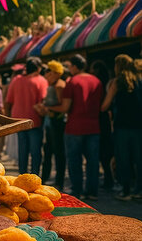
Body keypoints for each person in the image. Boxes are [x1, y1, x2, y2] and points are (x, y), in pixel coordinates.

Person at [48, 54, 103, 200]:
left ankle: (77, 191)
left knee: (74, 160)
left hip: (75, 127)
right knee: (92, 161)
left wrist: (50, 108)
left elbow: (65, 107)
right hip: (93, 126)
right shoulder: (96, 81)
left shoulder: (72, 82)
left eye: (70, 66)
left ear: (74, 66)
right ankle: (92, 192)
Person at [101, 55, 142, 201]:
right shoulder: (139, 80)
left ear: (118, 66)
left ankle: (125, 191)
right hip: (139, 126)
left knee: (123, 158)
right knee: (139, 159)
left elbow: (105, 105)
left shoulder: (117, 82)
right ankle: (139, 190)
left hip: (122, 126)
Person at [5, 57, 48, 175]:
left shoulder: (16, 80)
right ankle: (35, 177)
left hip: (18, 120)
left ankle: (22, 176)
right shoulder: (41, 80)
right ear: (38, 69)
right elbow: (43, 101)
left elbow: (8, 101)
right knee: (35, 151)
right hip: (34, 120)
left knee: (22, 151)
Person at [41, 61, 67, 190]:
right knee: (48, 150)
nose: (47, 75)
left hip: (57, 122)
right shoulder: (53, 84)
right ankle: (45, 178)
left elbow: (63, 106)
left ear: (56, 73)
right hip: (51, 122)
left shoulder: (59, 86)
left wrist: (48, 108)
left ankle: (59, 181)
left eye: (49, 72)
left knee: (58, 152)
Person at [89, 60, 114, 190]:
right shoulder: (106, 83)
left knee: (101, 153)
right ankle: (108, 179)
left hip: (99, 119)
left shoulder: (97, 85)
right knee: (105, 152)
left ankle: (107, 180)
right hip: (104, 122)